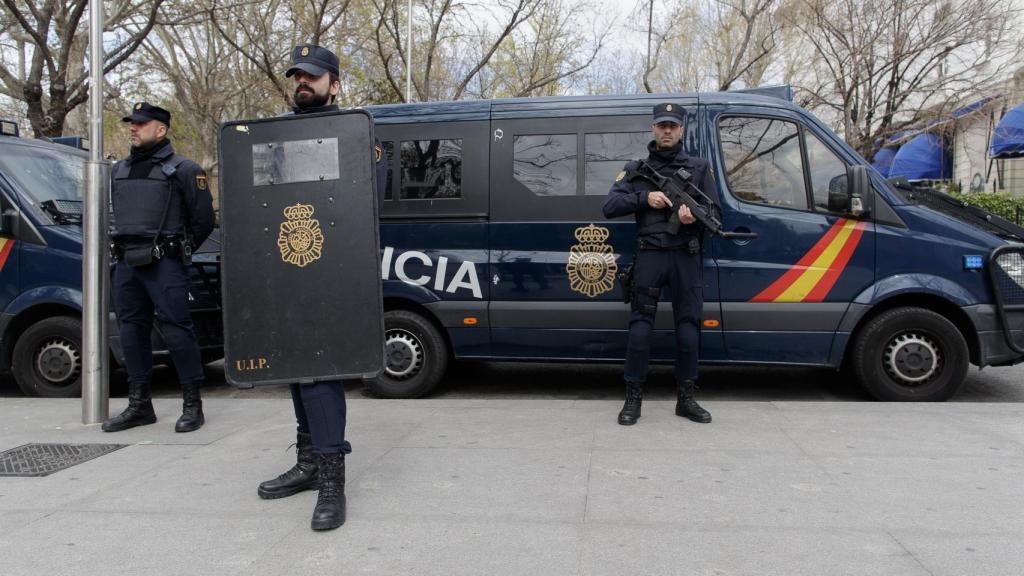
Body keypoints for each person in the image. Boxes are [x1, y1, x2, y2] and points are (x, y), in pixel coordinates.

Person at [255, 44, 388, 532]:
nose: (303, 84)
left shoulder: (358, 137)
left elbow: (357, 210)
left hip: (333, 275)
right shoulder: (274, 140)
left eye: (313, 76)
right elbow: (263, 202)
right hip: (288, 271)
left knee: (320, 371)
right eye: (298, 76)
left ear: (335, 84)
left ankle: (332, 476)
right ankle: (310, 461)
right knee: (296, 365)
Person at [603, 102, 719, 426]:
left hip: (686, 254)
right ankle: (633, 398)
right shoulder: (636, 168)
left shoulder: (698, 168)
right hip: (651, 254)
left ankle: (686, 398)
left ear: (681, 130)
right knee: (640, 327)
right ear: (653, 129)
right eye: (661, 125)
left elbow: (715, 216)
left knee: (688, 330)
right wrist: (645, 198)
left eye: (672, 126)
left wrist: (690, 218)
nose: (667, 131)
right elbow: (609, 205)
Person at [103, 103, 215, 434]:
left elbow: (204, 220)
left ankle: (192, 405)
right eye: (131, 123)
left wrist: (179, 250)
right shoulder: (118, 170)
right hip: (127, 263)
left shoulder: (184, 169)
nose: (133, 128)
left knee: (178, 331)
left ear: (161, 129)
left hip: (164, 263)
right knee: (131, 332)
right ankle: (140, 406)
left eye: (141, 123)